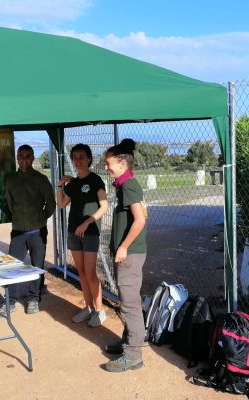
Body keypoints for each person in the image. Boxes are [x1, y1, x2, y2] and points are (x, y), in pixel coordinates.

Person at [101, 139, 148, 373]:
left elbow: (140, 220)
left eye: (108, 163)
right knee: (128, 301)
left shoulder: (129, 185)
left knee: (129, 305)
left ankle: (133, 355)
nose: (106, 167)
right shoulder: (124, 185)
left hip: (130, 255)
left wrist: (123, 247)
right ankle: (128, 341)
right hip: (128, 255)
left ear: (122, 163)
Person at [57, 143, 109, 327]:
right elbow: (61, 204)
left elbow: (104, 206)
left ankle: (99, 310)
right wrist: (60, 185)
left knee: (90, 273)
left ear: (89, 159)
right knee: (81, 272)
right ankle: (88, 307)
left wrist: (87, 222)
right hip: (73, 232)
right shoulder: (74, 183)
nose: (77, 160)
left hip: (90, 233)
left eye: (81, 157)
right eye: (75, 157)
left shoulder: (95, 180)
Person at [4, 144, 56, 314]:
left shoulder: (41, 179)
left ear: (33, 158)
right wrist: (19, 220)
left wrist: (39, 219)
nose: (24, 159)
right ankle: (10, 300)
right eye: (21, 156)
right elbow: (10, 204)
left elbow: (51, 204)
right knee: (13, 266)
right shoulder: (11, 180)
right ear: (17, 158)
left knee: (37, 266)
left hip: (37, 232)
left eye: (27, 156)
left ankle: (33, 298)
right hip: (18, 231)